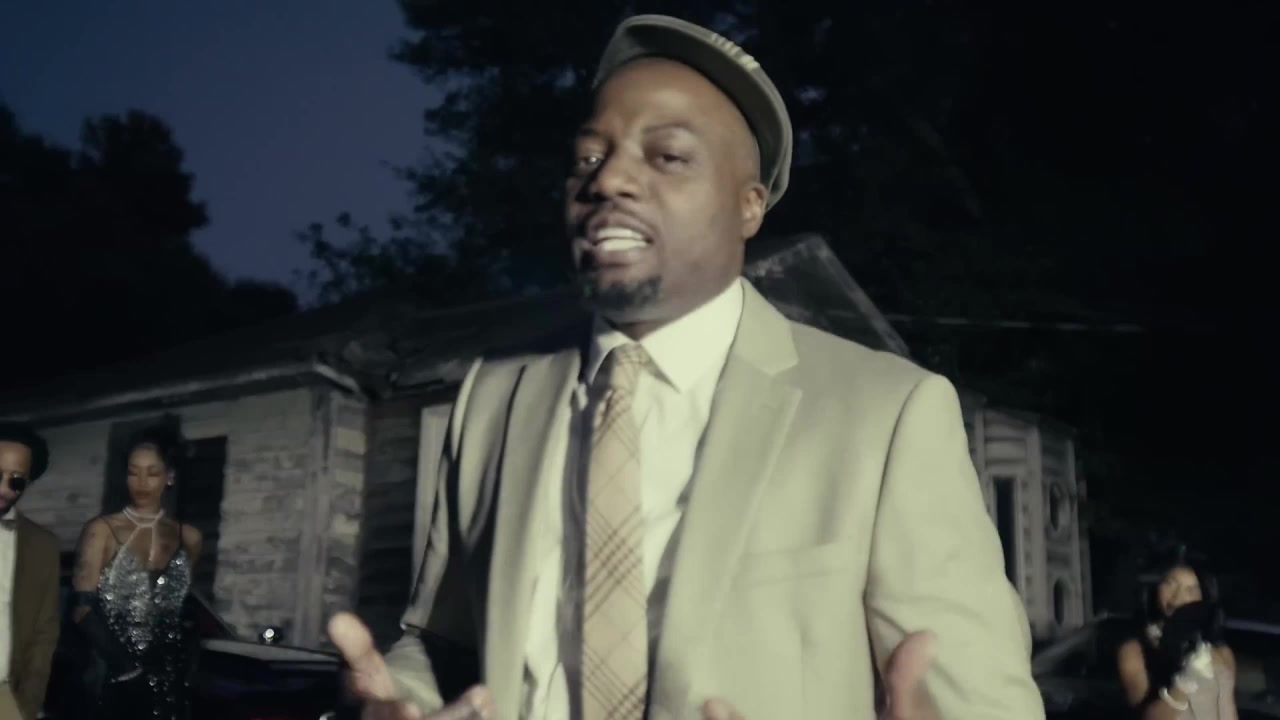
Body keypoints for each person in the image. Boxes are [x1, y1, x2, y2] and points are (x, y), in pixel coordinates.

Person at [328, 13, 1043, 720]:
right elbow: (444, 644)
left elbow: (980, 702)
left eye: (667, 156)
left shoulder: (886, 414)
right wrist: (398, 699)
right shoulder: (495, 396)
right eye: (587, 159)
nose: (609, 180)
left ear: (749, 206)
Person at [71, 425, 203, 720]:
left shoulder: (190, 537)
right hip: (114, 674)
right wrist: (128, 671)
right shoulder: (102, 530)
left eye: (152, 473)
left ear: (170, 476)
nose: (141, 483)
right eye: (133, 472)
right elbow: (82, 611)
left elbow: (180, 608)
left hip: (171, 676)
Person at [1117, 558, 1237, 719]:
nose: (1178, 596)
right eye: (1170, 584)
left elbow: (1227, 712)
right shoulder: (1134, 650)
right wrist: (1186, 682)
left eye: (1191, 589)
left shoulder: (1220, 652)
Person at [0, 421, 60, 720]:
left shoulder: (43, 546)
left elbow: (44, 633)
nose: (3, 489)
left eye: (16, 481)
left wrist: (27, 706)